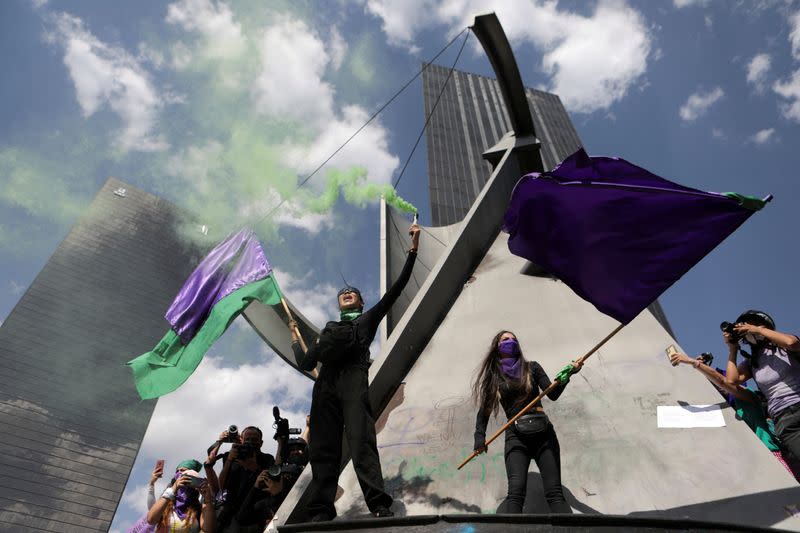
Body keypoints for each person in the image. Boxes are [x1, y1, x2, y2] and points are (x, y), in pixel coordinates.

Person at [289, 222, 421, 521]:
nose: (347, 293)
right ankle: (321, 509)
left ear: (361, 302)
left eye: (353, 293)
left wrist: (413, 249)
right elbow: (307, 363)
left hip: (353, 380)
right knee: (323, 448)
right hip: (325, 386)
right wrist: (294, 337)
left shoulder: (366, 320)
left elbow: (397, 289)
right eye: (343, 293)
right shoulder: (327, 331)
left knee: (362, 441)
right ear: (338, 303)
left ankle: (378, 504)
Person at [472, 330, 581, 514]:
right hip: (516, 437)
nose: (511, 341)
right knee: (515, 494)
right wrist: (479, 438)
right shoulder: (494, 378)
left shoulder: (533, 368)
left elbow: (552, 393)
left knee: (555, 493)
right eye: (505, 339)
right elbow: (484, 413)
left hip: (544, 434)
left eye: (514, 339)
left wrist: (567, 375)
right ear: (497, 347)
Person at [723, 310, 800, 464]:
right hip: (785, 421)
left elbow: (792, 343)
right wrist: (732, 350)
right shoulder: (752, 362)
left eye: (751, 323)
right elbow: (731, 381)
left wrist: (758, 330)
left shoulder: (783, 348)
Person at [207, 426, 275, 531]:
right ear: (241, 441)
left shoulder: (267, 459)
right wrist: (229, 459)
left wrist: (254, 467)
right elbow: (222, 486)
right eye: (247, 439)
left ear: (261, 443)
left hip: (257, 517)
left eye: (254, 440)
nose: (250, 442)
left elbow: (271, 486)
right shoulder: (232, 457)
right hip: (232, 518)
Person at [145, 460, 216, 532]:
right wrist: (173, 488)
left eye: (183, 471)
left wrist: (208, 500)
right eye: (177, 472)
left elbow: (208, 529)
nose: (179, 474)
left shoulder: (198, 507)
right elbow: (151, 519)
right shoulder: (167, 504)